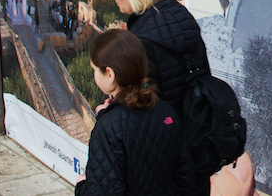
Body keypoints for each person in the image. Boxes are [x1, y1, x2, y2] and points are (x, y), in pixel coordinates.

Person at [100, 0, 212, 195]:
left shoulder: (141, 42)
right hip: (192, 153)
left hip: (159, 167)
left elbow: (141, 112)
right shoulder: (182, 20)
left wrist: (110, 113)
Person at [75, 29, 194, 196]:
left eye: (95, 69)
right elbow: (185, 179)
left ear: (110, 74)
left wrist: (82, 187)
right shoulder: (167, 113)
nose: (95, 76)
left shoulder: (108, 129)